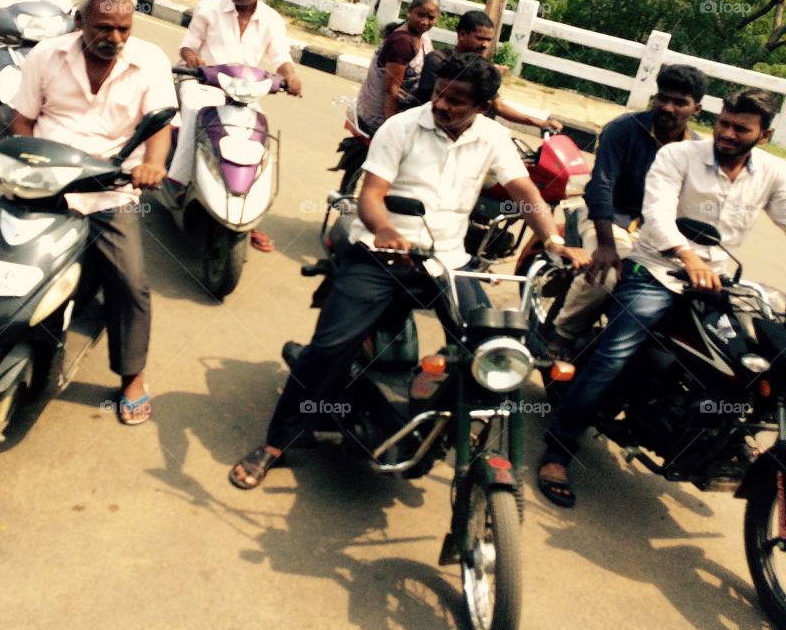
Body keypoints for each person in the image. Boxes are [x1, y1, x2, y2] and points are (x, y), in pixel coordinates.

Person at [228, 54, 589, 489]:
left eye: (456, 100)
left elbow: (523, 190)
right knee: (328, 348)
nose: (441, 104)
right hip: (382, 256)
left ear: (483, 105)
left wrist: (552, 240)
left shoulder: (494, 137)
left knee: (494, 344)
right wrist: (383, 229)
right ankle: (277, 443)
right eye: (440, 93)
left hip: (449, 261)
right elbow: (372, 194)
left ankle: (450, 423)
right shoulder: (400, 128)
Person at [538, 88, 786, 508]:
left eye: (740, 128)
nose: (726, 133)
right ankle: (558, 448)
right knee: (614, 355)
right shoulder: (679, 157)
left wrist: (703, 268)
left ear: (764, 135)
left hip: (715, 279)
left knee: (751, 357)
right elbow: (658, 212)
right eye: (723, 123)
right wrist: (687, 257)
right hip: (655, 267)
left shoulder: (772, 172)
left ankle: (727, 437)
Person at [9, 0, 176, 426]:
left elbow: (160, 124)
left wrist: (154, 165)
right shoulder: (47, 54)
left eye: (124, 29)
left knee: (131, 281)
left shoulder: (151, 61)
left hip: (110, 187)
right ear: (80, 20)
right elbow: (22, 120)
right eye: (103, 28)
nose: (114, 39)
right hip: (45, 181)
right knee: (4, 255)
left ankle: (131, 377)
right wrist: (27, 169)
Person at [546, 64, 706, 360]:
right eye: (663, 98)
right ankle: (561, 336)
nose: (668, 108)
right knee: (606, 273)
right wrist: (606, 245)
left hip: (657, 229)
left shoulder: (698, 149)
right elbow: (601, 187)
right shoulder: (623, 128)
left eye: (680, 103)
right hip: (608, 218)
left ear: (696, 108)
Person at [167, 0, 302, 252]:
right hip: (202, 83)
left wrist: (291, 76)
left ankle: (251, 214)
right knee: (194, 112)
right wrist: (192, 59)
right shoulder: (210, 7)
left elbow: (281, 56)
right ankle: (177, 180)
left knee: (259, 134)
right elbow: (188, 44)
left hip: (243, 91)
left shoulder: (272, 21)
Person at [419, 9, 563, 133]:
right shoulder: (438, 60)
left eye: (489, 40)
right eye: (480, 38)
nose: (485, 45)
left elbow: (498, 105)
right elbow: (430, 103)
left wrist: (539, 123)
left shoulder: (481, 68)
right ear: (462, 35)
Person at [354, 0, 440, 136]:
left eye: (430, 17)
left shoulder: (423, 37)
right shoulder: (402, 43)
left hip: (405, 111)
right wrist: (391, 130)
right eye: (420, 15)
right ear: (410, 11)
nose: (424, 21)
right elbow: (391, 90)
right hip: (380, 117)